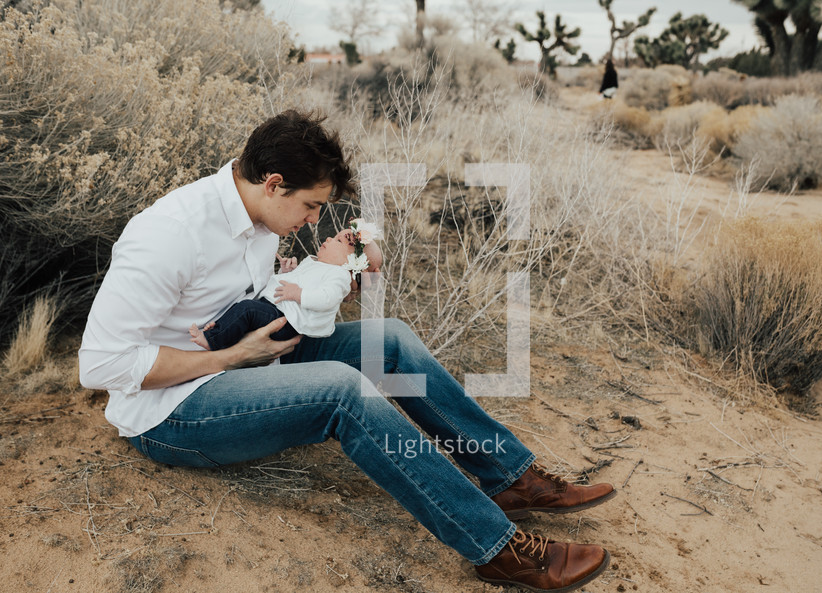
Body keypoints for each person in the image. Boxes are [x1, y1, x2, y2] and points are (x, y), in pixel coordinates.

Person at [78, 109, 617, 592]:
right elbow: (101, 365)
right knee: (344, 393)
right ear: (273, 184)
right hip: (171, 413)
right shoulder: (169, 233)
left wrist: (324, 286)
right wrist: (230, 357)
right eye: (311, 206)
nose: (314, 221)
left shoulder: (260, 218)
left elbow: (258, 303)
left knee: (391, 340)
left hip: (252, 361)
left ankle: (512, 478)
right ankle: (497, 550)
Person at [188, 220, 383, 350]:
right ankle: (221, 330)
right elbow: (291, 286)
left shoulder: (339, 276)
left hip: (287, 320)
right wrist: (286, 273)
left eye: (339, 241)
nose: (330, 238)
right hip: (279, 309)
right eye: (335, 235)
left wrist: (298, 294)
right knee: (244, 310)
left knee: (246, 310)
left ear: (351, 265)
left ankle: (212, 341)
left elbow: (326, 299)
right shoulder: (318, 264)